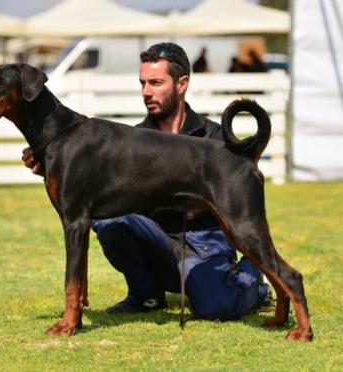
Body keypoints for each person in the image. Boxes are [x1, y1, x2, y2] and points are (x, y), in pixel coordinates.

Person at [22, 42, 272, 321]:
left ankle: (254, 277)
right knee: (109, 222)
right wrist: (61, 169)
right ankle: (146, 293)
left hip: (204, 244)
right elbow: (99, 191)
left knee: (217, 307)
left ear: (182, 83)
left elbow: (239, 205)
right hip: (159, 239)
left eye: (156, 82)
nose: (146, 92)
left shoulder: (213, 140)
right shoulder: (135, 140)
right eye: (143, 83)